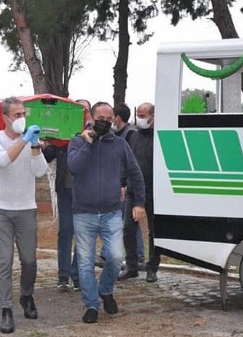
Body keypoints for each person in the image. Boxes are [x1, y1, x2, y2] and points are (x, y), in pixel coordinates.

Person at [67, 101, 146, 324]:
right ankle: (91, 305)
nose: (104, 122)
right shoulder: (77, 142)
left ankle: (105, 289)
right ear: (91, 118)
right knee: (84, 263)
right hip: (83, 213)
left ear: (114, 120)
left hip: (112, 211)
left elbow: (135, 172)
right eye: (100, 118)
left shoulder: (120, 145)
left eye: (108, 118)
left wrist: (139, 202)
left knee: (115, 257)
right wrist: (88, 142)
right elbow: (74, 167)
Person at [0, 97, 48, 333]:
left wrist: (35, 147)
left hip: (26, 207)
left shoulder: (31, 140)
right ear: (5, 118)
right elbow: (2, 161)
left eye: (23, 114)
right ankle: (6, 309)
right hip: (0, 207)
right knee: (3, 261)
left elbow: (39, 171)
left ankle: (26, 295)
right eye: (17, 115)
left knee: (29, 260)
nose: (21, 119)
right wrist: (24, 140)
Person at [42, 98, 90, 291]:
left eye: (85, 109)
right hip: (66, 189)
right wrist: (43, 145)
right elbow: (46, 157)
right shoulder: (62, 133)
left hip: (88, 191)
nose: (82, 111)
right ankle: (63, 275)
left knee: (84, 233)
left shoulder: (95, 134)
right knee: (65, 231)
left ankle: (77, 274)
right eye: (79, 108)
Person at [118, 102, 158, 282]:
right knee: (128, 229)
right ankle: (131, 266)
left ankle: (152, 268)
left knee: (154, 232)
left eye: (144, 115)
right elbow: (126, 162)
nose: (140, 118)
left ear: (153, 116)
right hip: (134, 191)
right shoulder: (133, 136)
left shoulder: (160, 137)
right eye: (139, 115)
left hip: (155, 192)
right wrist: (123, 183)